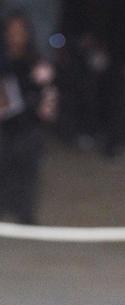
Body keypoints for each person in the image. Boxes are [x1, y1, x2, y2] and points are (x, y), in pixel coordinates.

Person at [0, 11, 56, 223]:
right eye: (10, 32)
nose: (15, 37)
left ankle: (25, 215)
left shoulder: (36, 62)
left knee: (27, 171)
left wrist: (35, 106)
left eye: (19, 32)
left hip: (28, 126)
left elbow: (48, 95)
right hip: (3, 126)